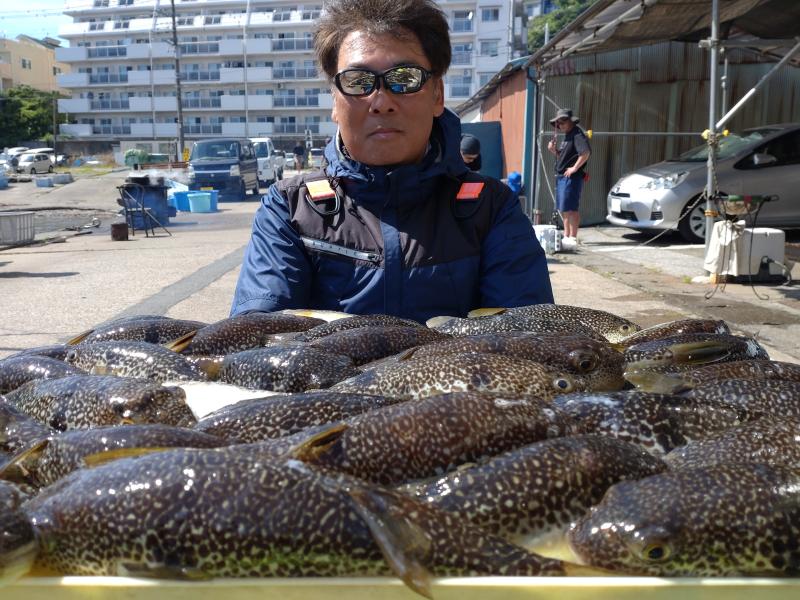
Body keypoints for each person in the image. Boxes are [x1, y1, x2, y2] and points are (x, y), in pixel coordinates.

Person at [231, 0, 553, 322]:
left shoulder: (492, 207)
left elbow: (524, 339)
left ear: (437, 95)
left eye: (405, 78)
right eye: (358, 81)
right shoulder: (290, 207)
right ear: (334, 101)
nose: (381, 102)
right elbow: (259, 336)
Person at [547, 108, 590, 244]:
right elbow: (564, 157)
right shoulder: (567, 136)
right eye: (558, 123)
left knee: (571, 208)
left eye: (563, 122)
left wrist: (574, 168)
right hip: (562, 176)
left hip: (571, 177)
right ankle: (566, 235)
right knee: (564, 208)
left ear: (571, 121)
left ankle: (573, 237)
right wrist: (554, 151)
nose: (560, 125)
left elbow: (585, 153)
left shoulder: (577, 134)